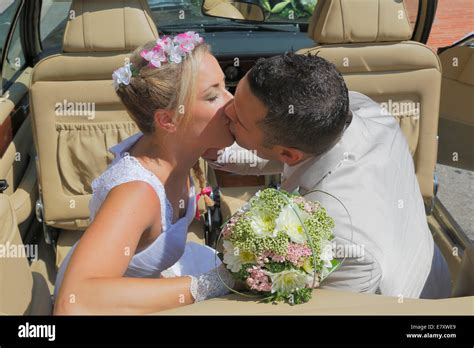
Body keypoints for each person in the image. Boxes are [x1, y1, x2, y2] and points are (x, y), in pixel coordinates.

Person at [206, 53, 452, 299]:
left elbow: (334, 310)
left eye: (238, 118)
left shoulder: (340, 240)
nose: (225, 111)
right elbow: (275, 153)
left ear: (289, 154)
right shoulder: (359, 110)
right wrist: (212, 147)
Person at [54, 33, 236, 315]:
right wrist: (212, 284)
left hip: (147, 282)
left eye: (225, 87)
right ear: (167, 120)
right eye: (213, 96)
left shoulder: (176, 148)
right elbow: (75, 301)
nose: (231, 102)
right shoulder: (137, 194)